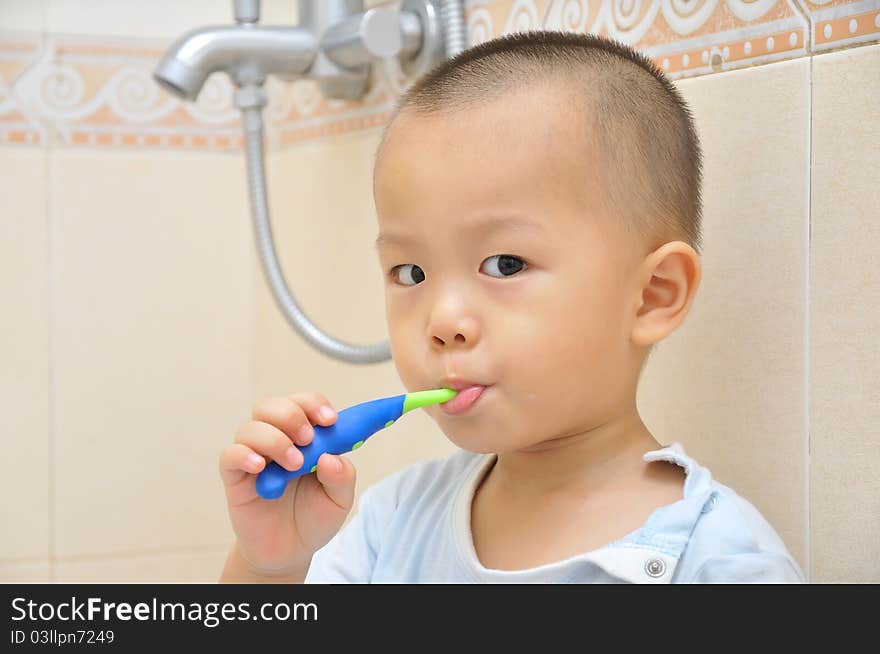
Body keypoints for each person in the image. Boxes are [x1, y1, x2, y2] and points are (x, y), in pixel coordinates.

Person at [218, 31, 805, 583]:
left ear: (652, 295)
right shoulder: (388, 524)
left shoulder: (719, 562)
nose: (442, 321)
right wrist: (267, 566)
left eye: (505, 265)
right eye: (411, 272)